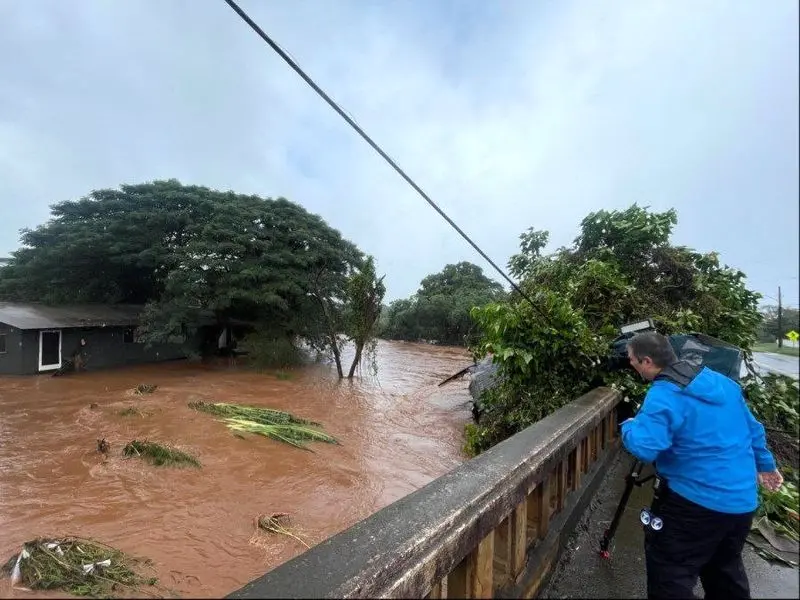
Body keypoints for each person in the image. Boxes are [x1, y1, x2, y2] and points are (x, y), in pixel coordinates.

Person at [620, 331, 783, 600]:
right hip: (741, 504)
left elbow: (646, 447)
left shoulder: (664, 394)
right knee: (724, 572)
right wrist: (766, 465)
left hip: (694, 505)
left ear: (647, 361)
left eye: (632, 361)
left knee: (670, 574)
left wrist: (628, 425)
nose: (631, 365)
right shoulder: (720, 381)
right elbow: (754, 429)